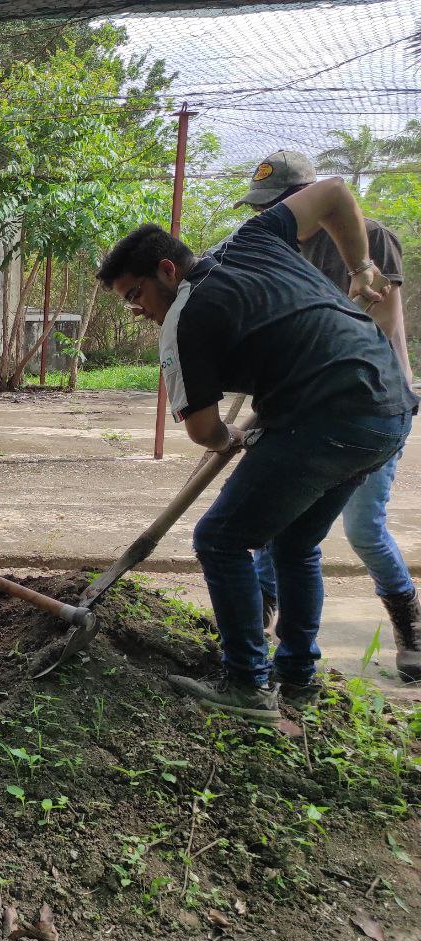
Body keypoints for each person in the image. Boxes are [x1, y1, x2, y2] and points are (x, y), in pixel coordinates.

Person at [96, 177, 414, 725]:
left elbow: (203, 430)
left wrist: (230, 438)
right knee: (293, 545)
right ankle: (297, 676)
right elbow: (335, 194)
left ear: (166, 271)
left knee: (219, 540)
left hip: (325, 417)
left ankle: (246, 681)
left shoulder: (184, 318)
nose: (136, 311)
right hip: (388, 411)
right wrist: (360, 265)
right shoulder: (255, 237)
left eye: (135, 296)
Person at [236, 150, 419, 684]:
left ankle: (410, 621)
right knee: (280, 523)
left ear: (308, 195)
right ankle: (258, 625)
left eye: (283, 203)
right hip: (304, 405)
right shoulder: (282, 250)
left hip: (371, 403)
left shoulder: (370, 238)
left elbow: (381, 323)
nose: (275, 215)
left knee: (364, 528)